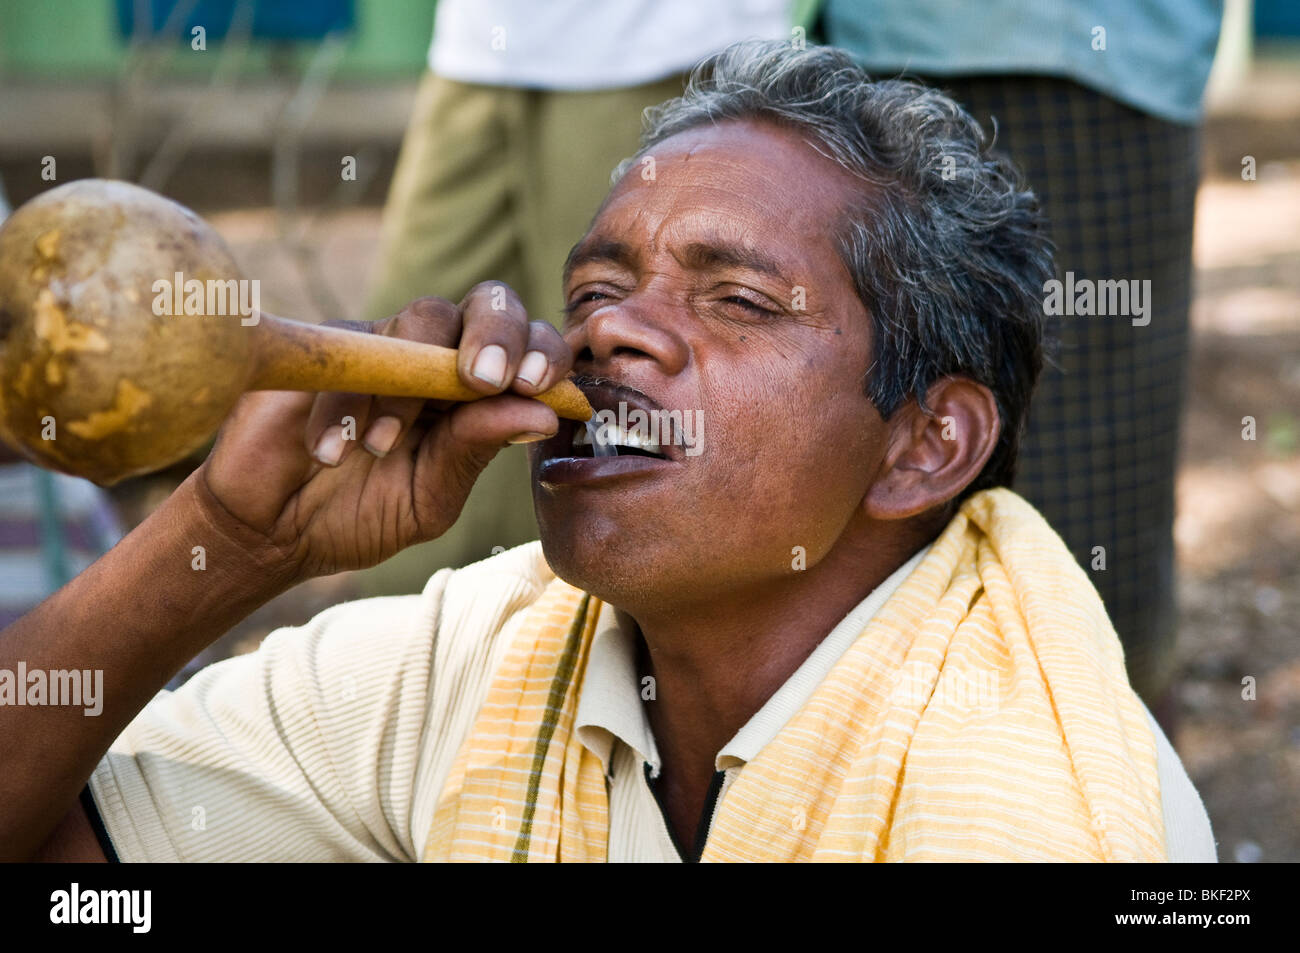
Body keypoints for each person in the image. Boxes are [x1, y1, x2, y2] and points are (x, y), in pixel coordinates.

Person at [7, 42, 1215, 862]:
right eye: (595, 285)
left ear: (923, 443)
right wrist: (227, 538)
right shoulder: (487, 652)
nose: (605, 332)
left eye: (739, 300)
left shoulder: (1031, 798)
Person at [816, 0, 1224, 710]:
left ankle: (1114, 782)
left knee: (1088, 510)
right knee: (873, 475)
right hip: (884, 50)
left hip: (1080, 60)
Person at [360, 0, 793, 589]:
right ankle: (407, 639)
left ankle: (574, 641)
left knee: (603, 385)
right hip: (482, 46)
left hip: (651, 44)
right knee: (421, 366)